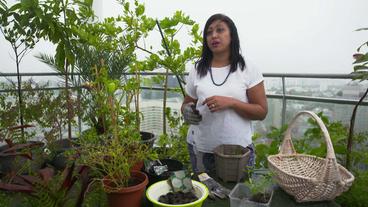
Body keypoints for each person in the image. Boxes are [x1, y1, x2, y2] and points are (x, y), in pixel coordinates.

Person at [181, 13, 268, 175]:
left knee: (238, 196)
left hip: (238, 152)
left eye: (220, 30)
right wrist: (187, 111)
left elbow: (261, 111)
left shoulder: (248, 68)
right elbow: (186, 104)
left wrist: (231, 102)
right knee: (206, 195)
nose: (213, 35)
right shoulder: (197, 69)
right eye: (209, 32)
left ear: (232, 36)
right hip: (201, 149)